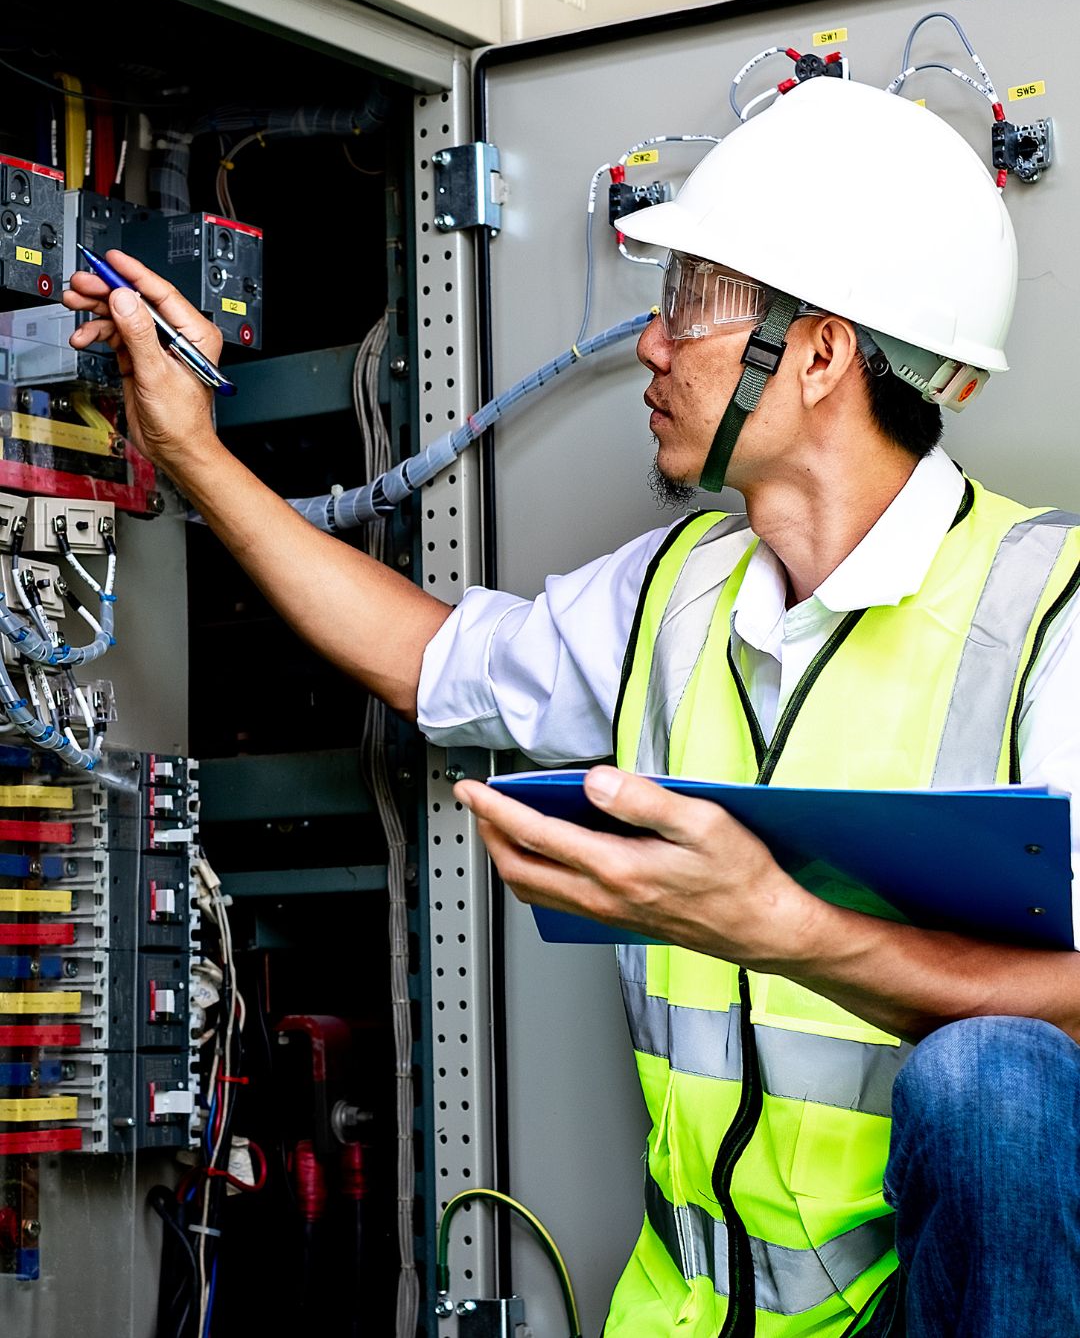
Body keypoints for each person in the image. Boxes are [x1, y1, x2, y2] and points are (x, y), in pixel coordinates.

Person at [65, 77, 1080, 1338]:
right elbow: (434, 660)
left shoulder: (1047, 615)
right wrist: (195, 453)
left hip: (923, 1306)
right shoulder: (681, 590)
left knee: (1000, 1082)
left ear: (820, 350)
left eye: (692, 303)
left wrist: (780, 926)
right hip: (686, 1314)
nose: (650, 346)